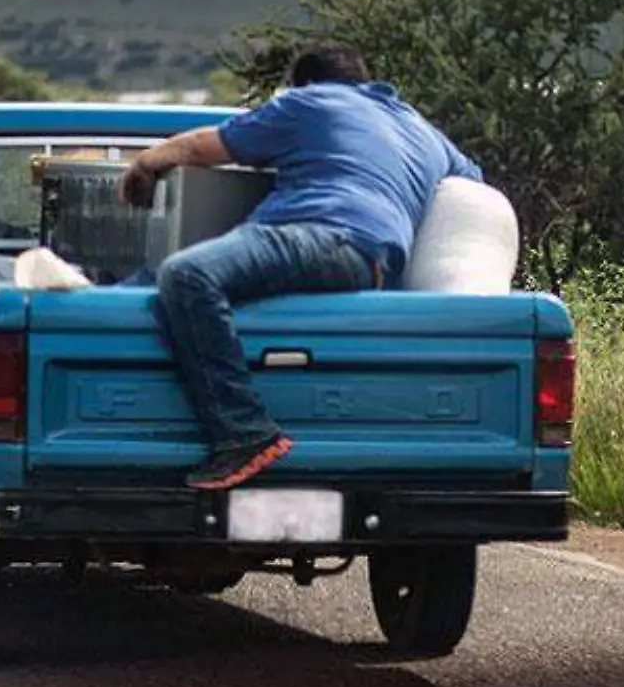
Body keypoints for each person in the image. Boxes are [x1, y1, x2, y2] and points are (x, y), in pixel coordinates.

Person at [118, 42, 483, 490]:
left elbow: (200, 149)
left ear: (304, 83)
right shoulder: (420, 128)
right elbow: (473, 187)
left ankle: (243, 433)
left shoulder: (308, 102)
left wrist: (149, 160)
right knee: (159, 278)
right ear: (364, 80)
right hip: (374, 260)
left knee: (186, 274)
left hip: (322, 233)